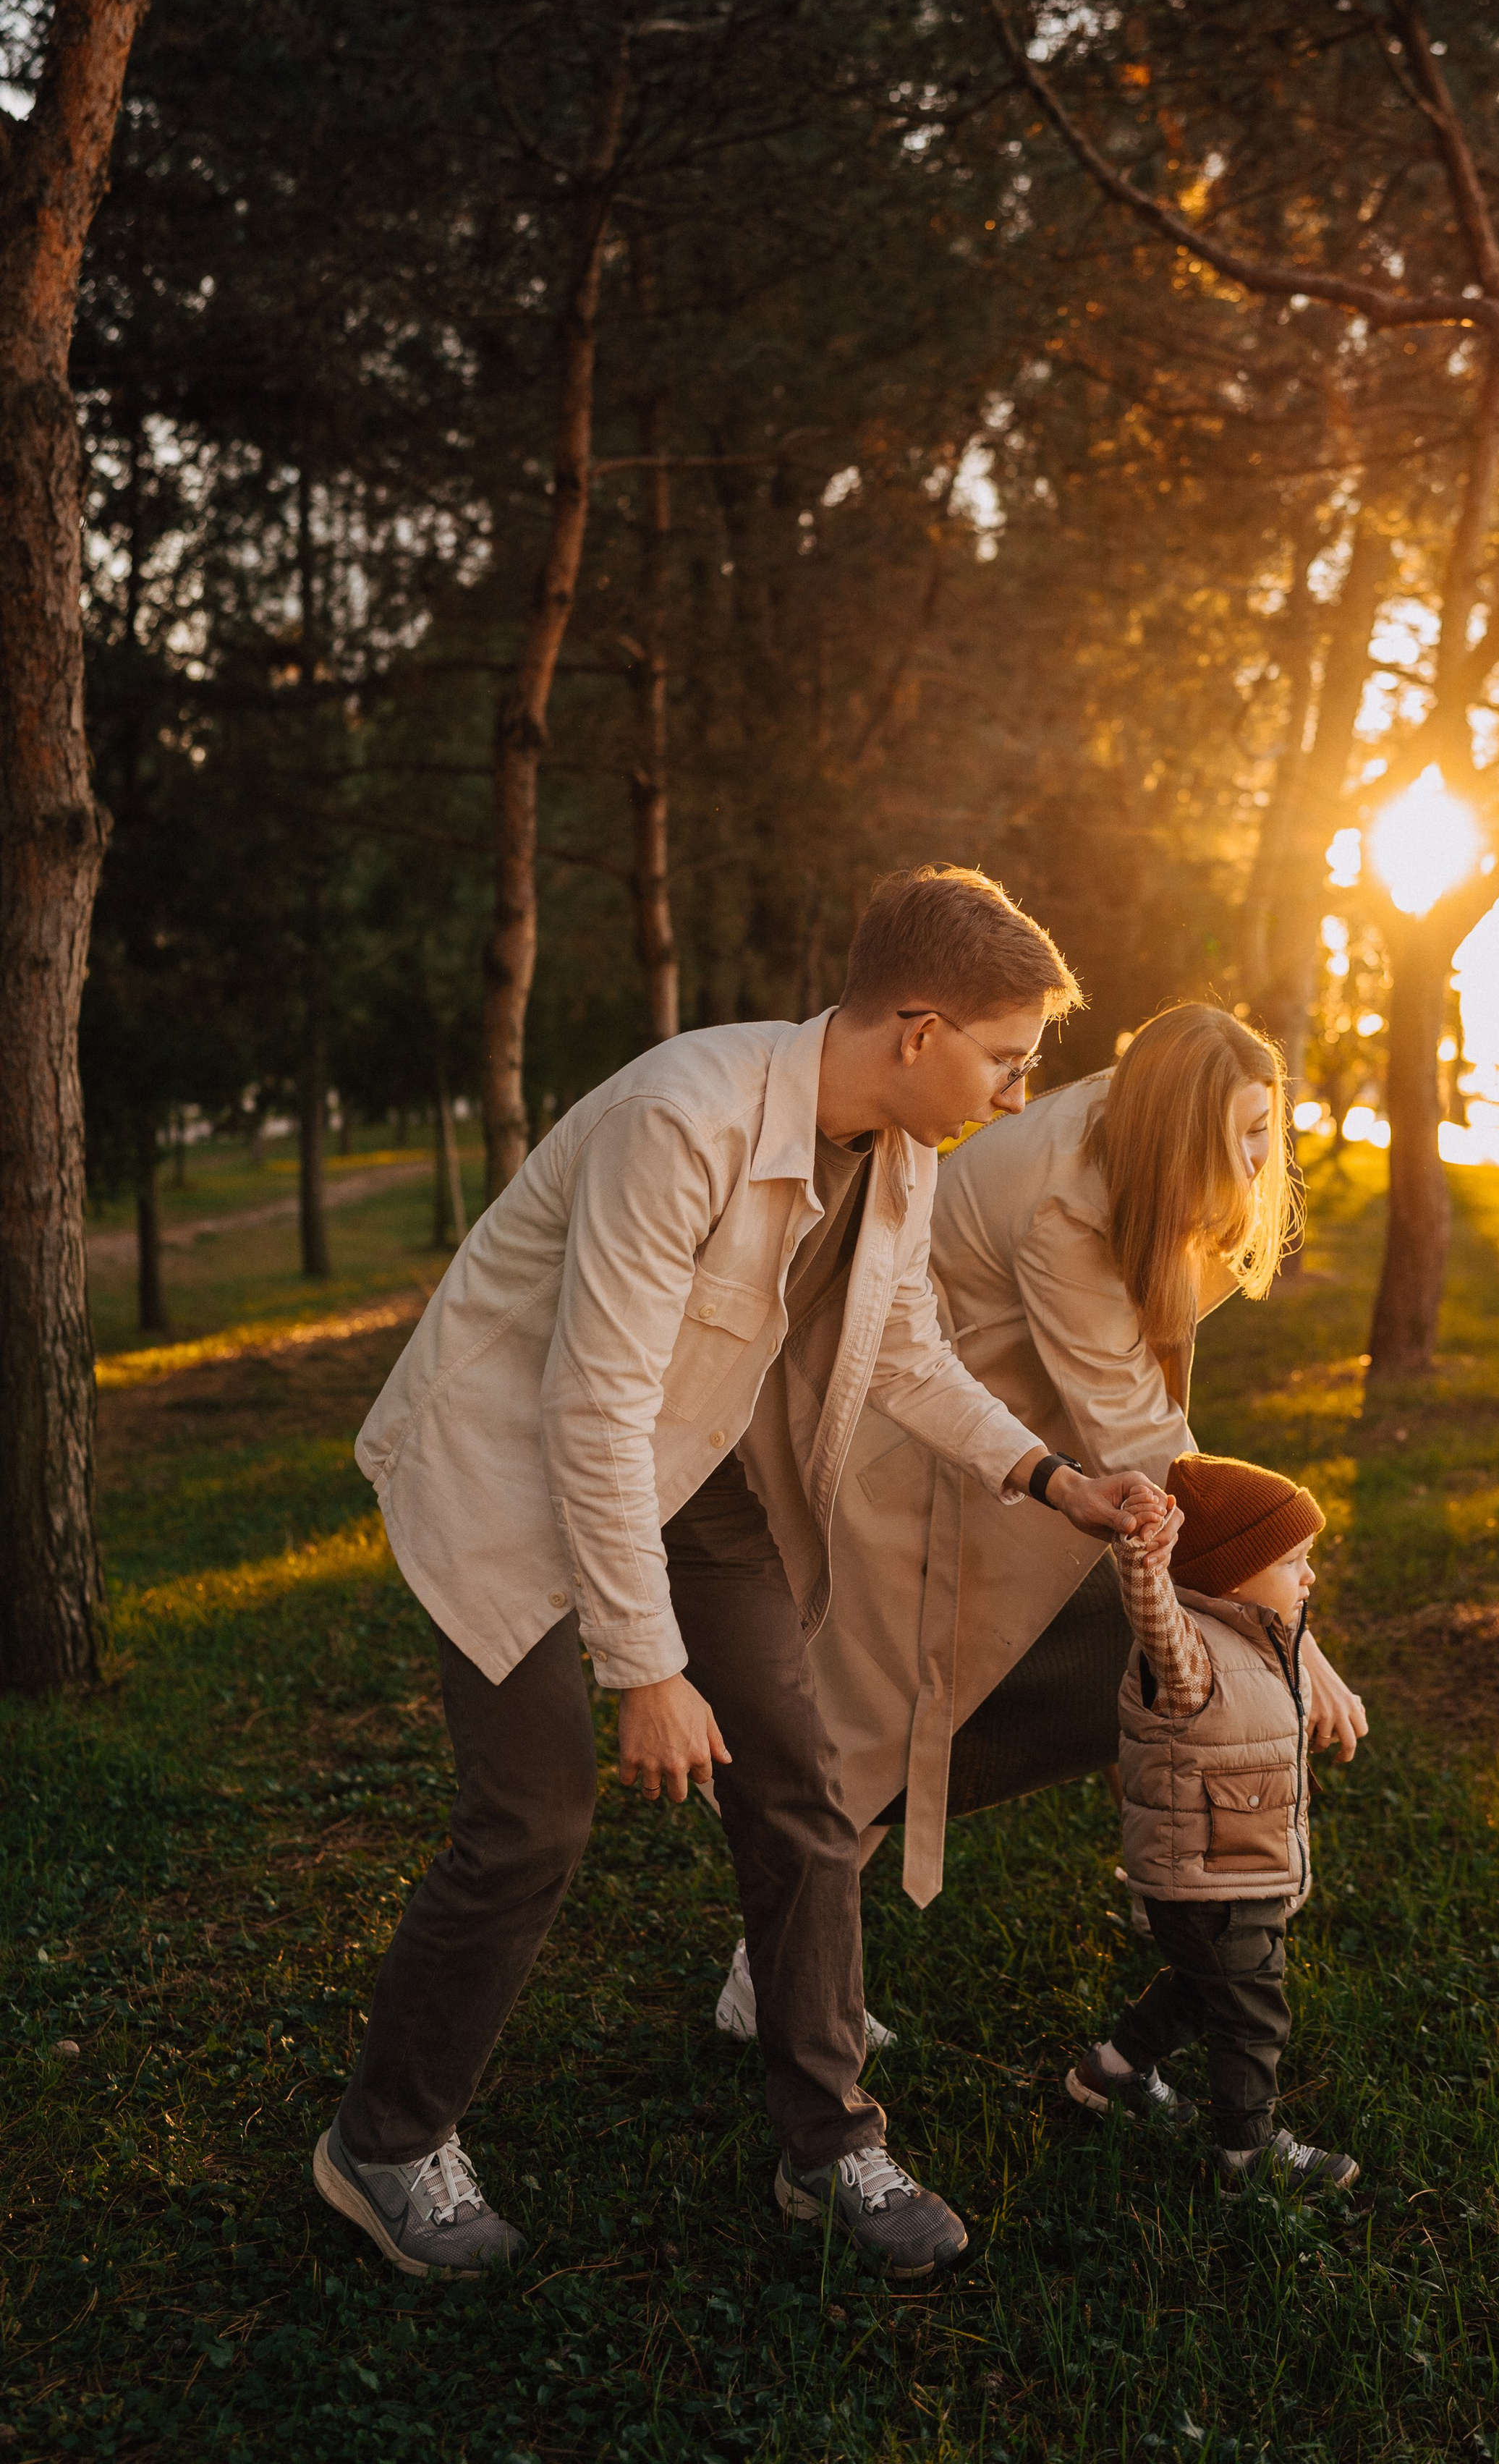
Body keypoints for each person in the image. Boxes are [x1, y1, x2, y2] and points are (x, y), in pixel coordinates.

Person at [313, 867, 1170, 2285]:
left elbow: (900, 1356)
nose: (1019, 1094)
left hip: (685, 1463)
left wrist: (1049, 1477)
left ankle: (829, 2144)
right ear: (916, 1029)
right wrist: (645, 1668)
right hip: (505, 1469)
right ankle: (386, 2142)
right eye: (1005, 1060)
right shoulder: (681, 1120)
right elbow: (588, 1407)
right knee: (533, 1817)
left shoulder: (895, 1153)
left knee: (805, 1775)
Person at [719, 1003, 1367, 1985]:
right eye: (1237, 1136)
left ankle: (1182, 1896)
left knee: (1151, 1647)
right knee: (877, 1726)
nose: (1256, 1159)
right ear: (1175, 1131)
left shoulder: (1142, 1131)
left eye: (1264, 1128)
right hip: (919, 1451)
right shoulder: (1070, 1200)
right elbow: (1140, 1431)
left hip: (1031, 1442)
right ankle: (770, 1983)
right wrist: (1291, 1634)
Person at [1066, 1450, 1360, 2194]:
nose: (1309, 1575)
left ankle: (1110, 2073)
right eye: (1295, 1560)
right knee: (1254, 2016)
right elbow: (1152, 1609)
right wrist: (1142, 1559)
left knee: (1203, 1990)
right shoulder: (1189, 1656)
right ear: (1231, 1575)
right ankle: (1247, 2156)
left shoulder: (1263, 1641)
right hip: (1207, 1882)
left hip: (1234, 1870)